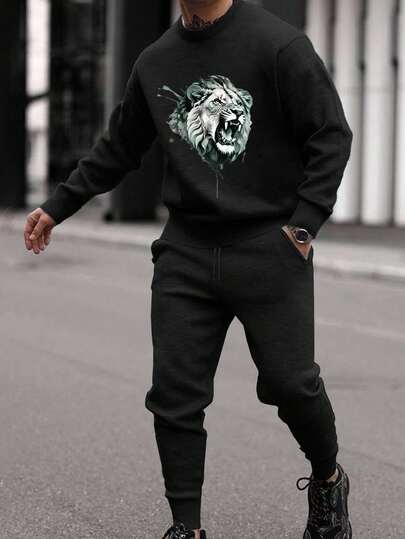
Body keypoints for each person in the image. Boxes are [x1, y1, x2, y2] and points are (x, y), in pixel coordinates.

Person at [23, 1, 354, 537]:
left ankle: (328, 479)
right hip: (186, 251)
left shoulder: (279, 45)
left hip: (267, 248)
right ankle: (187, 527)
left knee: (291, 386)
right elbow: (120, 147)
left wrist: (303, 226)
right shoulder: (156, 60)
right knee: (174, 398)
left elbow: (331, 134)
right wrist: (59, 204)